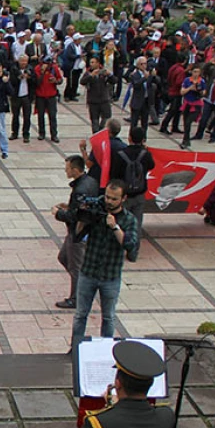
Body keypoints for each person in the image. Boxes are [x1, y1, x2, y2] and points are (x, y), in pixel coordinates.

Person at [71, 180, 139, 349]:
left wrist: (115, 227)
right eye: (107, 197)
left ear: (123, 199)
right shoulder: (97, 211)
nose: (109, 201)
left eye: (114, 199)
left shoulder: (129, 219)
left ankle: (106, 349)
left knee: (108, 317)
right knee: (80, 315)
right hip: (88, 272)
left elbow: (130, 245)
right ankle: (75, 348)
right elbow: (77, 237)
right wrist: (83, 219)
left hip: (110, 275)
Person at [53, 154, 99, 310]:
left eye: (67, 169)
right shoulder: (90, 182)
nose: (66, 171)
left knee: (75, 266)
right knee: (64, 257)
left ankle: (77, 298)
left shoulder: (80, 189)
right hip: (79, 231)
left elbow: (75, 216)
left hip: (78, 232)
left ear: (75, 169)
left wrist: (58, 213)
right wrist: (69, 206)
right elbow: (80, 208)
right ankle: (83, 286)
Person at [110, 126, 155, 262]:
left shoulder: (121, 154)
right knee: (136, 223)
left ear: (129, 138)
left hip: (124, 196)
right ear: (143, 140)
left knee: (118, 222)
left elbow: (114, 174)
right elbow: (152, 166)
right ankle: (133, 252)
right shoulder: (145, 154)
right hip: (140, 194)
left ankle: (116, 249)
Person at [81, 56, 115, 132]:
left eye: (93, 62)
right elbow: (82, 82)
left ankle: (101, 131)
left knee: (106, 119)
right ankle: (96, 136)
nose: (91, 64)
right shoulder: (88, 73)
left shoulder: (103, 72)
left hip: (104, 100)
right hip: (93, 101)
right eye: (90, 62)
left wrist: (110, 75)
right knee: (94, 122)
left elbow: (114, 81)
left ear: (98, 63)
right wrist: (91, 76)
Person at [34, 56, 62, 143]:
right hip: (40, 96)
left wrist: (56, 81)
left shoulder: (54, 68)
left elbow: (60, 80)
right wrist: (42, 72)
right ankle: (41, 133)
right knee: (40, 115)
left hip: (51, 96)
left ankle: (54, 135)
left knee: (52, 116)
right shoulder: (37, 68)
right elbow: (37, 83)